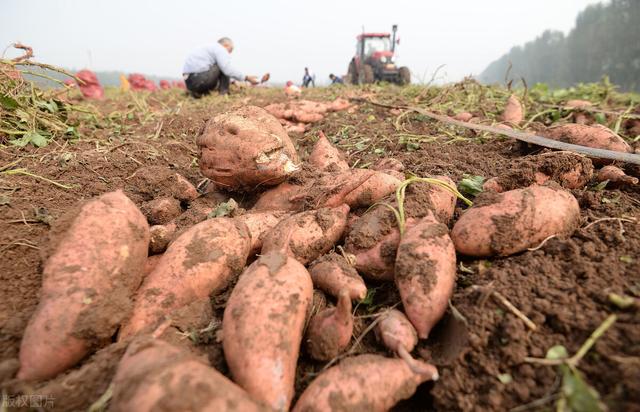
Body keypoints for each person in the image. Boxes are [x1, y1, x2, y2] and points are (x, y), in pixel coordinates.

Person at [182, 37, 258, 97]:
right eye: (231, 49)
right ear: (226, 45)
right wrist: (246, 78)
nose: (229, 53)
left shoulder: (209, 48)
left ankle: (197, 93)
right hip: (198, 79)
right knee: (223, 67)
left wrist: (232, 81)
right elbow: (227, 69)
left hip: (190, 82)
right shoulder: (220, 48)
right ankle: (223, 93)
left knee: (222, 67)